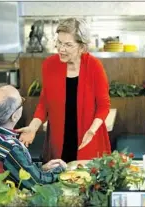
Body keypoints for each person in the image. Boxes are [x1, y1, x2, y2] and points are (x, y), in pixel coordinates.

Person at [17, 18, 111, 163]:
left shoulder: (94, 66)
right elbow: (44, 104)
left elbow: (103, 106)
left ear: (82, 47)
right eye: (59, 42)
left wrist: (92, 131)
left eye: (68, 45)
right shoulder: (49, 65)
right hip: (59, 141)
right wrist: (33, 127)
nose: (61, 49)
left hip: (88, 139)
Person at [0, 85, 67, 189]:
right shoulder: (10, 149)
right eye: (21, 101)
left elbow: (13, 167)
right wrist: (61, 169)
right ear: (14, 116)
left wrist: (40, 168)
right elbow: (37, 183)